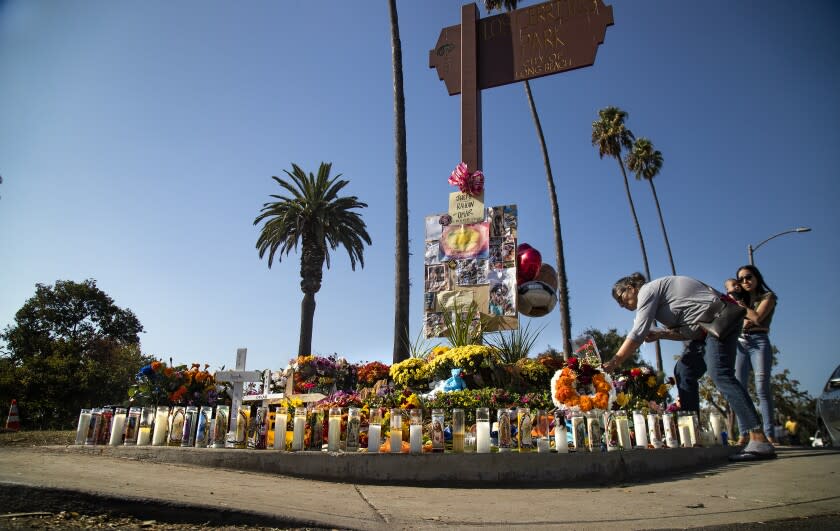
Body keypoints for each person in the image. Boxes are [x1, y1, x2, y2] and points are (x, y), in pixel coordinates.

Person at [602, 272, 775, 461]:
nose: (621, 305)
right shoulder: (660, 300)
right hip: (703, 333)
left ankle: (759, 438)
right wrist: (661, 334)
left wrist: (614, 362)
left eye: (621, 298)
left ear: (631, 288)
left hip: (717, 322)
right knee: (684, 371)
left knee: (720, 375)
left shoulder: (647, 290)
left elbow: (638, 332)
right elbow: (687, 332)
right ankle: (693, 435)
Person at [734, 265, 778, 444]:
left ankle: (769, 434)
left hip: (759, 342)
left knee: (762, 389)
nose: (745, 281)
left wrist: (744, 308)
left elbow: (757, 318)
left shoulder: (768, 297)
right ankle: (744, 434)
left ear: (757, 277)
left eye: (749, 277)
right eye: (741, 279)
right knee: (739, 388)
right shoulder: (738, 301)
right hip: (741, 343)